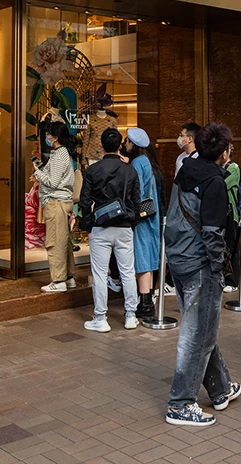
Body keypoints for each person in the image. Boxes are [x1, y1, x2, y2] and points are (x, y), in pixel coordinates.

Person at [164, 123, 240, 427]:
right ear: (224, 153)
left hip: (179, 258)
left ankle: (221, 388)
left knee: (201, 327)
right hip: (200, 265)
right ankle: (180, 404)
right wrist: (218, 267)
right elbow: (211, 233)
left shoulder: (187, 168)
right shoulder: (215, 183)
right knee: (197, 334)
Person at [80, 128, 140, 333]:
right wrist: (131, 222)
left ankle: (100, 317)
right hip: (124, 227)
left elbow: (85, 201)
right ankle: (131, 315)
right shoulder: (130, 170)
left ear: (102, 145)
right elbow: (136, 202)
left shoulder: (93, 170)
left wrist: (89, 225)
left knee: (99, 273)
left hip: (101, 226)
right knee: (127, 272)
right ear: (120, 145)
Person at [36, 121, 78, 293]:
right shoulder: (61, 153)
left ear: (55, 137)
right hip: (61, 202)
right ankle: (68, 277)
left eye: (48, 134)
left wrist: (37, 172)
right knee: (63, 241)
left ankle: (58, 280)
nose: (46, 137)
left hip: (56, 203)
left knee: (55, 243)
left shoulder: (60, 154)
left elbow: (52, 182)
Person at [125, 127, 160, 318]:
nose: (126, 144)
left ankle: (145, 303)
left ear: (134, 144)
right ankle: (149, 299)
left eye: (128, 141)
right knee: (149, 256)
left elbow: (135, 191)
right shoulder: (148, 161)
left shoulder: (138, 163)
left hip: (142, 217)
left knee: (142, 258)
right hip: (151, 215)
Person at [219, 143, 241, 292]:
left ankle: (233, 280)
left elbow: (221, 184)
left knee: (231, 247)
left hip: (231, 213)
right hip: (220, 212)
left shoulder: (233, 168)